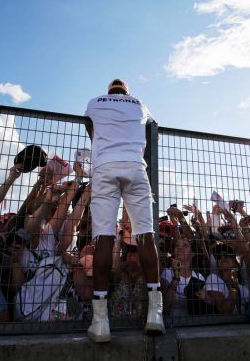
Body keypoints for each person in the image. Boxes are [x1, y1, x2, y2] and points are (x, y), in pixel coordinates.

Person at [84, 79, 164, 342]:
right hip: (134, 166)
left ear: (109, 92)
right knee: (145, 235)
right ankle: (155, 313)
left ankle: (100, 322)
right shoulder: (139, 103)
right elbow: (153, 129)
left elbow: (91, 130)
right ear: (126, 93)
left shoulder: (94, 102)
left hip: (105, 165)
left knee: (104, 239)